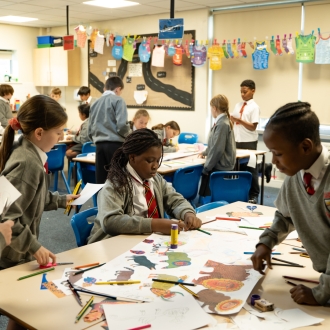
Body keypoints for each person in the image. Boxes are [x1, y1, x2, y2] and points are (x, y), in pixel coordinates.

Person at [251, 102, 330, 306]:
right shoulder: (296, 176)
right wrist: (266, 242)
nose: (274, 162)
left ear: (305, 147)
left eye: (278, 153)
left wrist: (321, 293)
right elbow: (286, 216)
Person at [0, 95, 79, 270]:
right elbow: (6, 217)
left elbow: (31, 196)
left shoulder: (28, 152)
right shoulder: (27, 164)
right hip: (9, 259)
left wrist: (60, 200)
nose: (61, 138)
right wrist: (34, 247)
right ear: (39, 133)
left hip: (16, 253)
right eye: (58, 132)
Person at [88, 129, 202, 244]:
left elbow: (175, 200)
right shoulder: (116, 184)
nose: (155, 166)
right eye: (150, 161)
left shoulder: (155, 179)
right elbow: (110, 221)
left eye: (158, 160)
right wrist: (154, 224)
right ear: (132, 158)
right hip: (111, 244)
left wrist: (188, 213)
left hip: (145, 242)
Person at [88, 76, 130, 184]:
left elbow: (90, 129)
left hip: (99, 146)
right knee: (118, 181)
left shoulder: (94, 103)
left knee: (102, 181)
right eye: (120, 91)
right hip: (115, 146)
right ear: (118, 89)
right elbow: (121, 126)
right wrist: (129, 136)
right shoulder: (119, 100)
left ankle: (100, 201)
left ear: (105, 88)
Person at [198, 94, 236, 197]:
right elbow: (214, 144)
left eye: (211, 108)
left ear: (214, 108)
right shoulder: (223, 121)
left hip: (220, 167)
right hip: (222, 165)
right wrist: (204, 152)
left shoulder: (222, 124)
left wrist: (206, 168)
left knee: (210, 195)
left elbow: (217, 150)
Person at [231, 79, 260, 204]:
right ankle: (239, 192)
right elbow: (233, 120)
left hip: (249, 142)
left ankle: (253, 195)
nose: (242, 94)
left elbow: (253, 126)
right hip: (237, 140)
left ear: (253, 91)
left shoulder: (254, 107)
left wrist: (240, 120)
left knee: (251, 168)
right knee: (238, 167)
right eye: (241, 92)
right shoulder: (238, 105)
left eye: (245, 91)